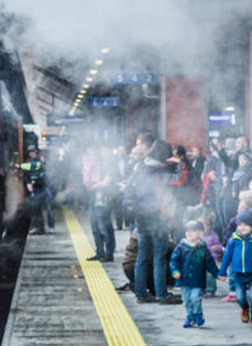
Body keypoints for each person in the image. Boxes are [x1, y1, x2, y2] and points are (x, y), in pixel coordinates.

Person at [123, 138, 179, 305]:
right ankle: (161, 294)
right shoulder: (161, 170)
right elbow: (166, 194)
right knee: (159, 256)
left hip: (141, 215)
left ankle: (141, 293)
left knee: (142, 254)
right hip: (157, 216)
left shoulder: (141, 167)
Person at [170, 219, 219, 328]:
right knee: (186, 300)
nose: (189, 233)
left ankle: (198, 314)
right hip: (184, 279)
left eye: (193, 231)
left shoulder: (202, 247)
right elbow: (174, 261)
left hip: (197, 279)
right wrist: (175, 271)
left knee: (196, 298)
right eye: (187, 231)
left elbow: (209, 262)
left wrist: (217, 273)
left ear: (200, 233)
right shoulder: (181, 247)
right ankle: (190, 316)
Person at [83, 147, 117, 262]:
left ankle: (109, 253)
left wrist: (93, 186)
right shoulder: (93, 165)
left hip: (104, 199)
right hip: (93, 198)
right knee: (95, 227)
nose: (90, 156)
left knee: (104, 226)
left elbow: (106, 182)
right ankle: (99, 251)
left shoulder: (109, 165)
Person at [22, 146, 53, 234]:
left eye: (33, 151)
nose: (31, 153)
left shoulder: (40, 162)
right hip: (34, 189)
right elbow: (26, 175)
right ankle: (39, 227)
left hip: (41, 188)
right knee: (35, 209)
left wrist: (34, 181)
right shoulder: (28, 162)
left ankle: (47, 227)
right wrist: (28, 183)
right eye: (30, 152)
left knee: (44, 208)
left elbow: (43, 175)